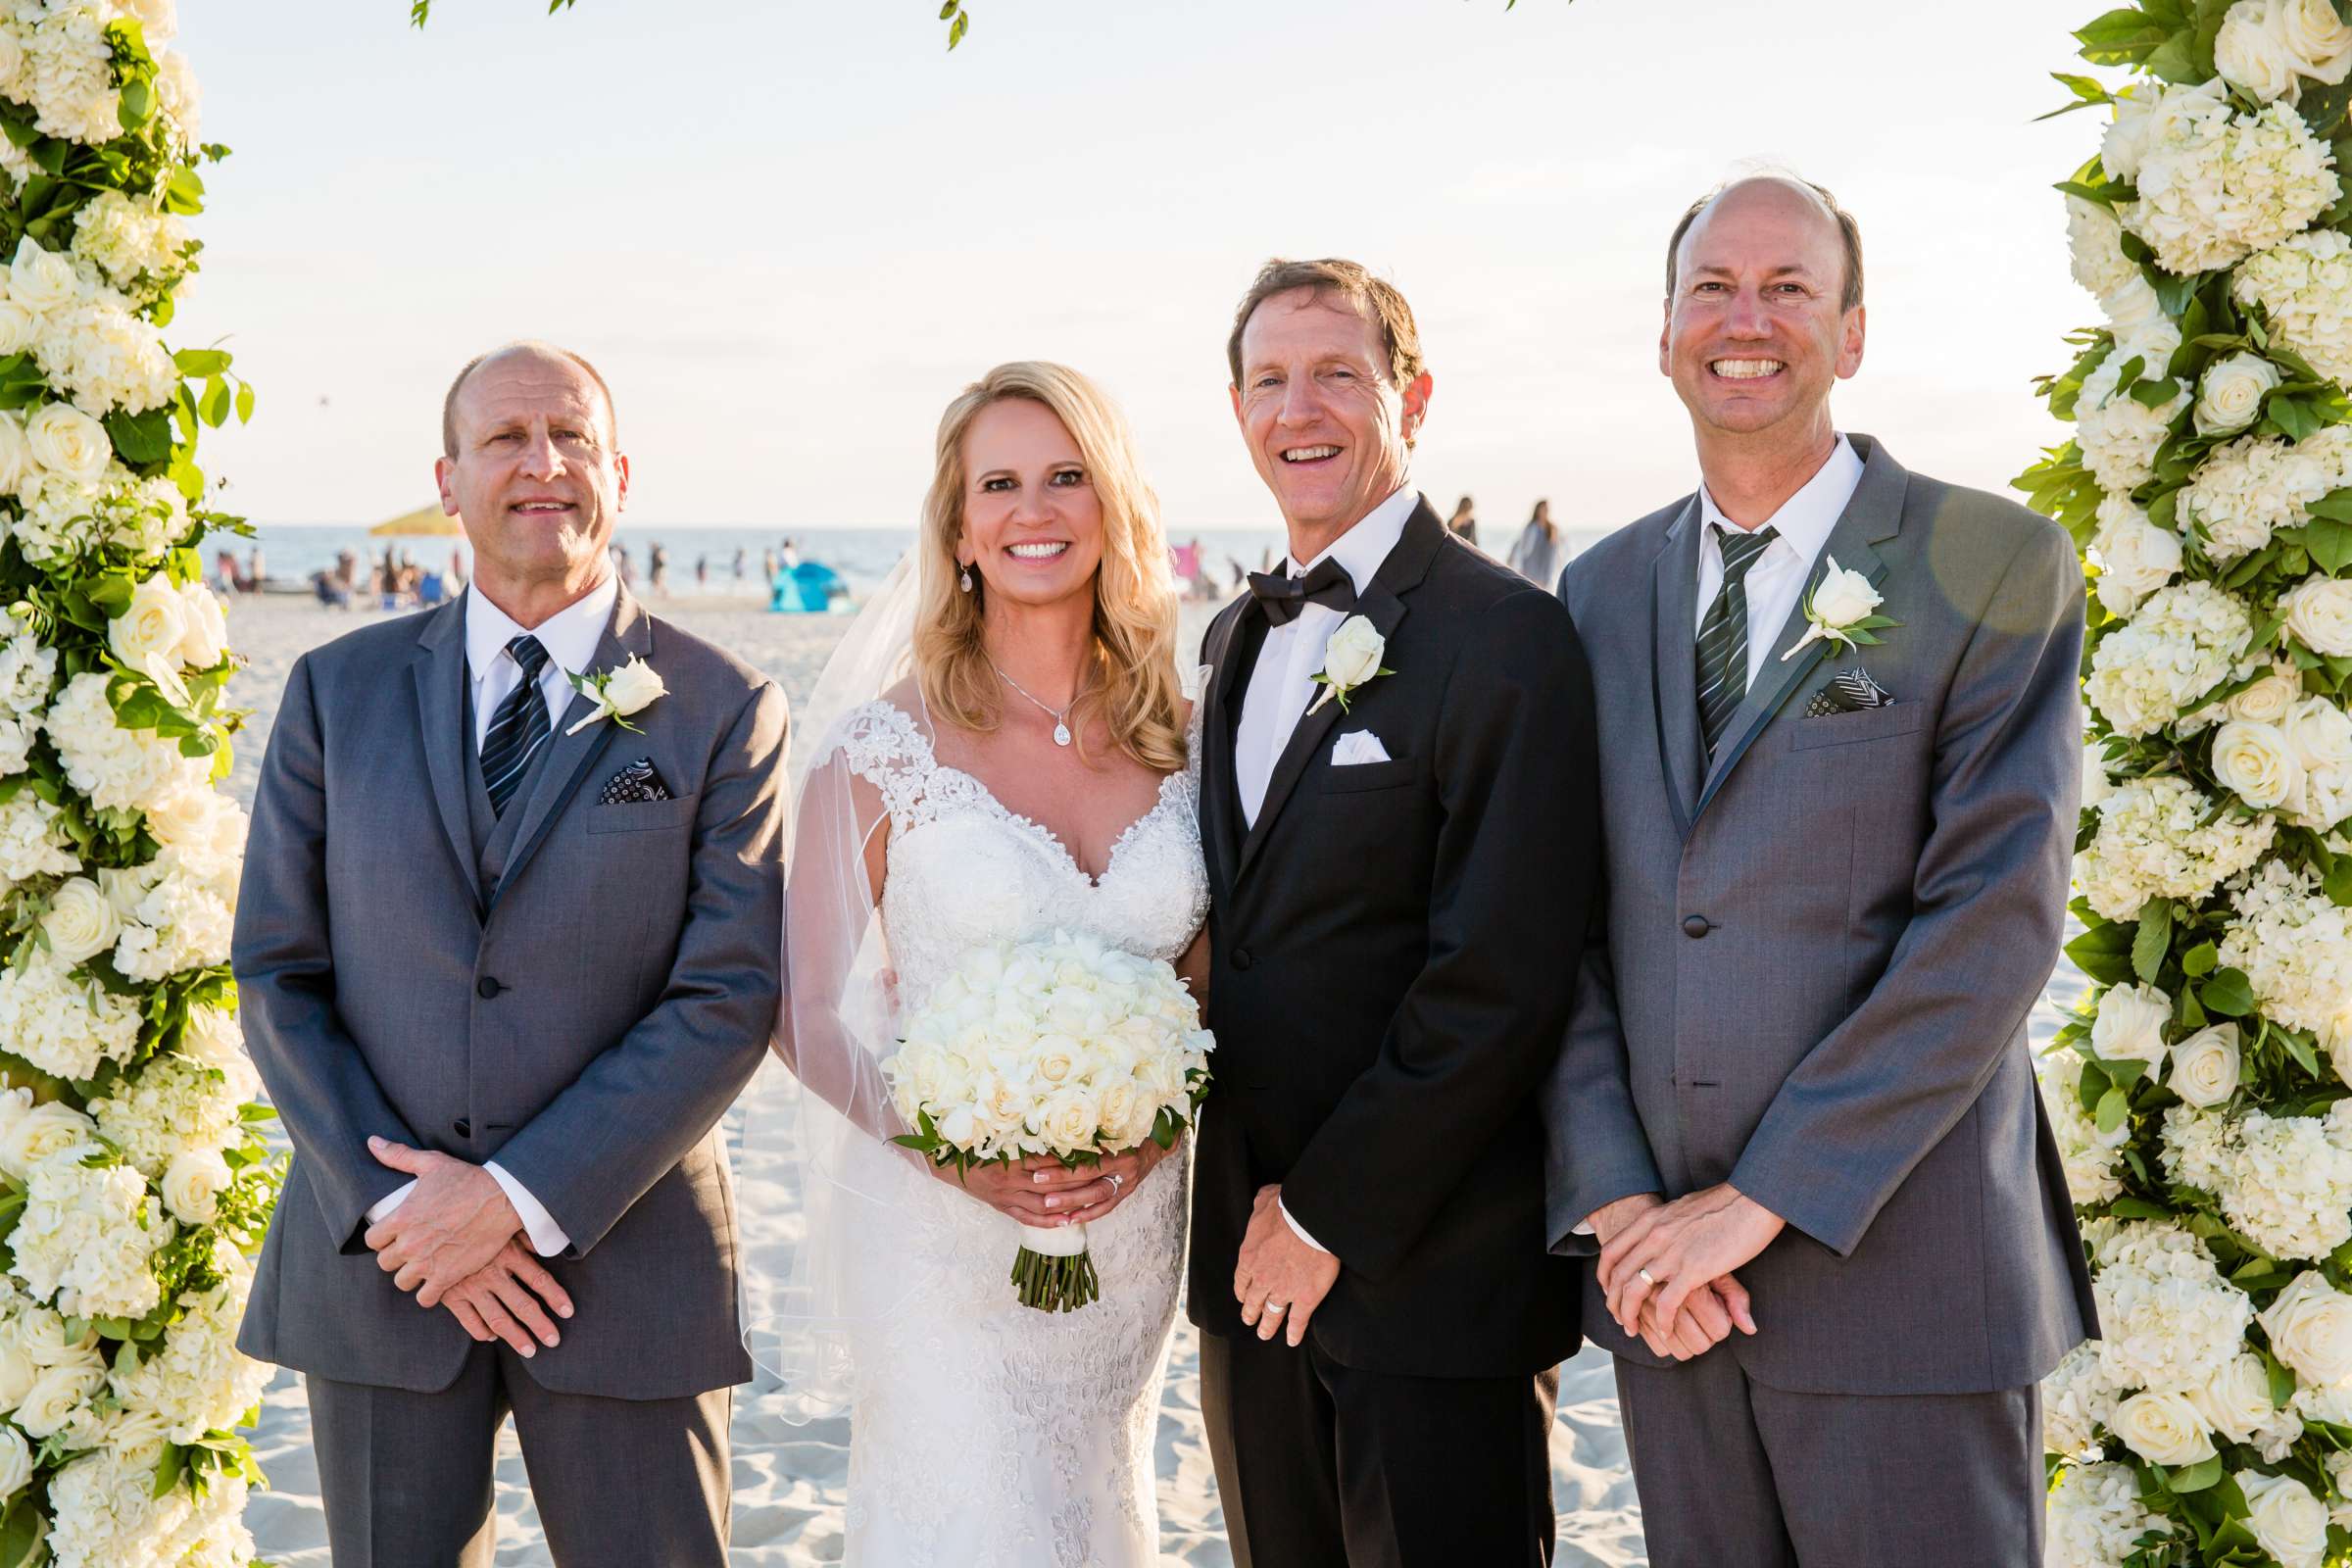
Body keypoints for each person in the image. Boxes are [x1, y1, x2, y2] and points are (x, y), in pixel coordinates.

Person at [1543, 174, 2093, 1566]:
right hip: (1669, 1296)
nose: (1747, 318)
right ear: (1665, 332)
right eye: (1712, 287)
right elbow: (1559, 929)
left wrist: (1761, 1198)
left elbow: (1994, 925)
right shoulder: (1598, 594)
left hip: (1901, 1281)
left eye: (1789, 286)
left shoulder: (1995, 560)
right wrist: (1624, 1213)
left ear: (1852, 333)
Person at [232, 340, 789, 1567]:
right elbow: (277, 971)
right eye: (505, 439)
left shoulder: (722, 704)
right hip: (384, 1273)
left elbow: (727, 995)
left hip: (627, 1262)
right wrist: (405, 1211)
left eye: (572, 436)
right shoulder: (336, 689)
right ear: (449, 479)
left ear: (620, 471)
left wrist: (511, 1201)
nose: (543, 465)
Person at [1190, 258, 1600, 1564]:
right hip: (1247, 1282)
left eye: (1335, 376)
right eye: (1267, 380)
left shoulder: (1508, 636)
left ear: (1410, 398)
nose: (1296, 409)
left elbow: (1503, 977)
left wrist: (1323, 1220)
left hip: (1431, 1278)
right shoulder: (1234, 640)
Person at [764, 361, 1203, 1564]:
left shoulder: (1188, 732)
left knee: (1098, 1513)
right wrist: (951, 1158)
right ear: (958, 530)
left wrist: (1157, 1131)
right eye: (998, 483)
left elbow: (1213, 978)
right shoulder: (880, 750)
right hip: (947, 1240)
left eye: (1068, 477)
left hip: (1132, 1227)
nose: (1034, 509)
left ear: (1113, 506)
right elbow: (800, 1009)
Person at [1507, 498, 1563, 585]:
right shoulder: (1531, 527)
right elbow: (1521, 547)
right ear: (1537, 510)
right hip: (1530, 567)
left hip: (1545, 567)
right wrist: (1512, 561)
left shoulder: (1552, 528)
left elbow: (1555, 550)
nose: (1545, 511)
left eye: (1547, 509)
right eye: (1543, 508)